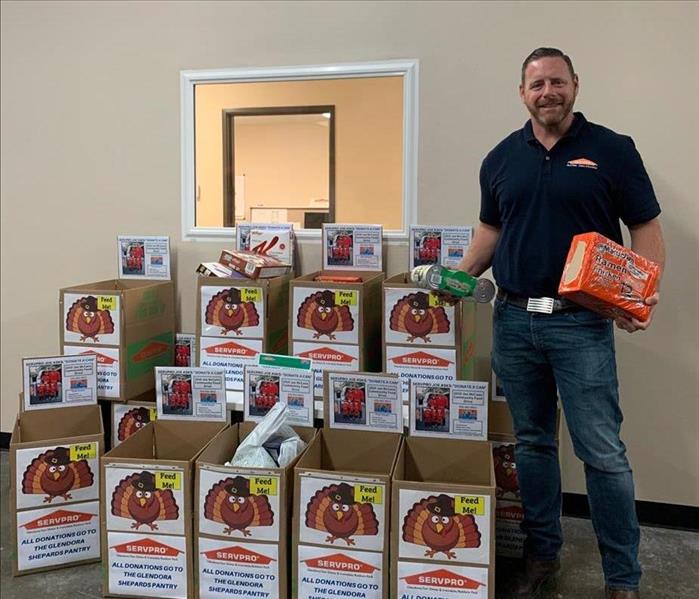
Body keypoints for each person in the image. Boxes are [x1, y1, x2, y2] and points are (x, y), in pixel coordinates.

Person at [458, 48, 665, 599]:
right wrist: (453, 280)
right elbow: (490, 232)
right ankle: (542, 557)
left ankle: (623, 578)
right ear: (521, 92)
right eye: (536, 84)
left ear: (575, 84)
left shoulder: (612, 151)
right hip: (514, 319)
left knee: (602, 452)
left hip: (581, 326)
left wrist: (641, 296)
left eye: (556, 81)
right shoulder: (501, 158)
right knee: (531, 444)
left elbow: (645, 227)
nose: (547, 92)